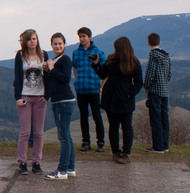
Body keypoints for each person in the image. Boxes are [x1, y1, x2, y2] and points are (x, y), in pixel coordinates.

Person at [92, 36, 143, 164]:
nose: (115, 50)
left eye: (117, 48)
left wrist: (129, 94)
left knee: (126, 126)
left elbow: (138, 82)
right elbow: (103, 74)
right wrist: (96, 64)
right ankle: (115, 152)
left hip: (125, 100)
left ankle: (126, 152)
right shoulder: (111, 59)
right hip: (110, 98)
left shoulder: (133, 62)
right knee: (113, 126)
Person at [13, 29, 48, 175]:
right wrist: (18, 97)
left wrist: (47, 95)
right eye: (29, 39)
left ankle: (36, 162)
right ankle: (22, 162)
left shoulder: (44, 55)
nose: (32, 41)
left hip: (40, 97)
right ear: (25, 42)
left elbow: (47, 75)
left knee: (38, 132)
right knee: (25, 132)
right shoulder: (20, 56)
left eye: (34, 38)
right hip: (25, 96)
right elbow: (17, 76)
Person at [43, 33, 77, 180]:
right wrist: (46, 71)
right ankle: (70, 168)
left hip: (65, 101)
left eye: (60, 43)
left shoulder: (65, 60)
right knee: (66, 136)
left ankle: (62, 170)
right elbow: (52, 81)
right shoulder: (54, 61)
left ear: (64, 44)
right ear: (51, 45)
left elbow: (66, 79)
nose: (58, 46)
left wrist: (52, 69)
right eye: (55, 44)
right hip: (57, 101)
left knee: (63, 137)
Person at [72, 27, 107, 152]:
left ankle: (100, 142)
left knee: (96, 115)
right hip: (81, 89)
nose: (82, 39)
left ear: (90, 37)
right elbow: (75, 68)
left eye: (84, 36)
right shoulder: (76, 53)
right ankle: (85, 141)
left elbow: (105, 70)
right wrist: (79, 79)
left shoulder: (98, 52)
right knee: (83, 116)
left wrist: (101, 85)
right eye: (80, 37)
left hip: (94, 88)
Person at [144, 32, 172, 153]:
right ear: (159, 43)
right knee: (164, 119)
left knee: (155, 119)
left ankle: (157, 146)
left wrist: (146, 86)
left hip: (155, 91)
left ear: (148, 43)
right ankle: (165, 145)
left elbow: (150, 73)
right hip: (164, 91)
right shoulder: (166, 55)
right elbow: (169, 73)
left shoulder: (153, 55)